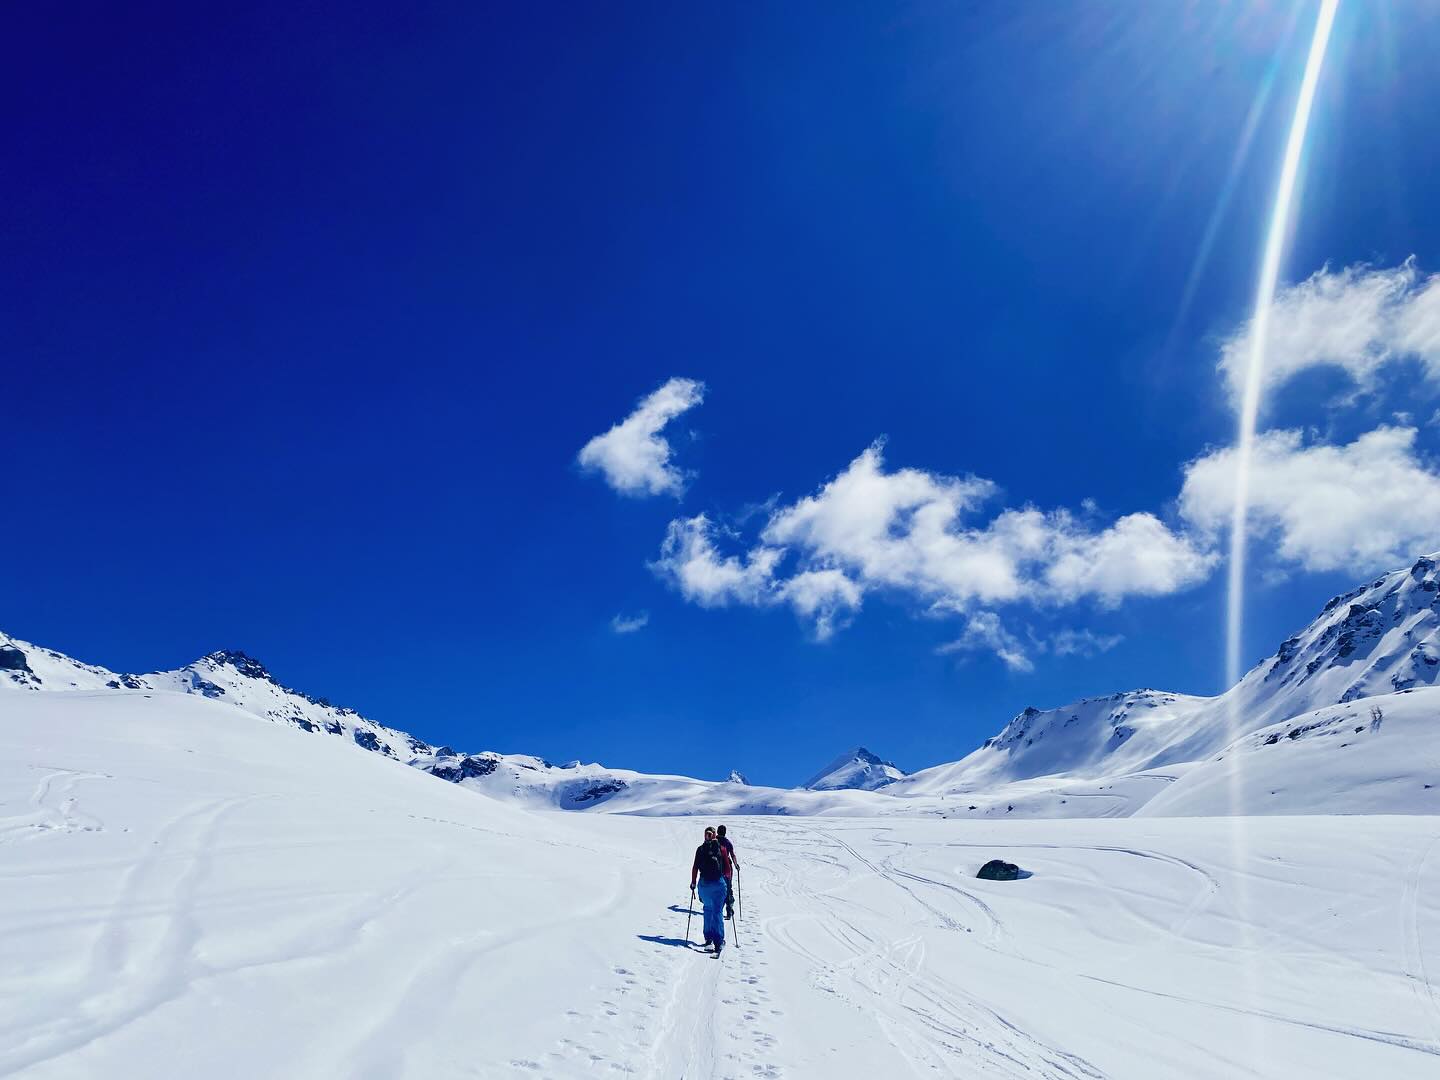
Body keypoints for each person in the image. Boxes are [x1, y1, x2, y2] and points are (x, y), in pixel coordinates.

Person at [690, 825, 733, 954]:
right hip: (718, 884)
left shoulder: (700, 849)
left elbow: (695, 867)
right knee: (717, 911)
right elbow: (727, 870)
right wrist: (728, 884)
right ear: (715, 835)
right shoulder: (721, 848)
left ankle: (708, 939)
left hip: (704, 885)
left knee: (708, 910)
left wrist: (693, 883)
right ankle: (718, 942)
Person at [716, 824, 739, 920]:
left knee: (718, 889)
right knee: (728, 889)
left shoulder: (714, 841)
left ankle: (718, 911)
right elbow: (732, 855)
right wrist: (736, 864)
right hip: (727, 868)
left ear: (717, 831)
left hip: (716, 868)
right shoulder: (727, 842)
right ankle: (729, 911)